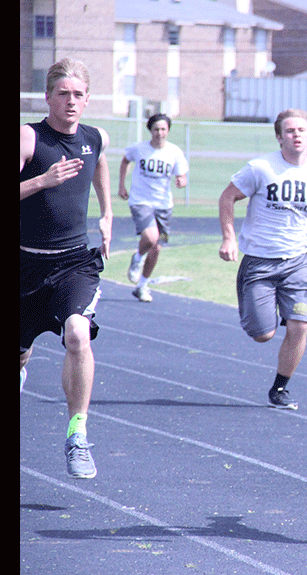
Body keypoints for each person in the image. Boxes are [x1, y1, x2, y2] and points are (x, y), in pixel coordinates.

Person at [20, 57, 113, 479]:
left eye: (78, 94)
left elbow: (100, 167)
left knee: (78, 332)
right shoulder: (28, 138)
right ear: (48, 97)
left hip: (74, 262)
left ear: (88, 98)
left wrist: (108, 214)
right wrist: (43, 180)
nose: (71, 101)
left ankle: (78, 433)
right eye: (63, 94)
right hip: (24, 265)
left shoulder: (95, 137)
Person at [219, 109, 307, 410]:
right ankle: (265, 304)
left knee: (300, 326)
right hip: (260, 262)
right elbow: (227, 197)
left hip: (297, 263)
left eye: (301, 130)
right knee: (263, 334)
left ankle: (279, 388)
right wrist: (229, 237)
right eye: (289, 131)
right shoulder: (260, 168)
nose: (296, 135)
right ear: (279, 137)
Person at [118, 113, 189, 302]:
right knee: (150, 237)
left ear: (168, 131)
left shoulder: (174, 152)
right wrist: (122, 185)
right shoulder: (139, 149)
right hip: (141, 201)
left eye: (163, 129)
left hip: (164, 205)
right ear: (150, 130)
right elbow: (125, 160)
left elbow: (181, 175)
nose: (160, 133)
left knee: (156, 248)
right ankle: (138, 258)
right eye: (156, 129)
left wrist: (181, 180)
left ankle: (142, 286)